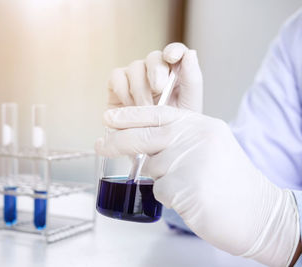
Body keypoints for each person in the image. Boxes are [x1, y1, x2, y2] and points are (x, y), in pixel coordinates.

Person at [95, 8, 302, 267]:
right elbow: (245, 195)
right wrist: (173, 152)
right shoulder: (297, 34)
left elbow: (269, 215)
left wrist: (286, 230)